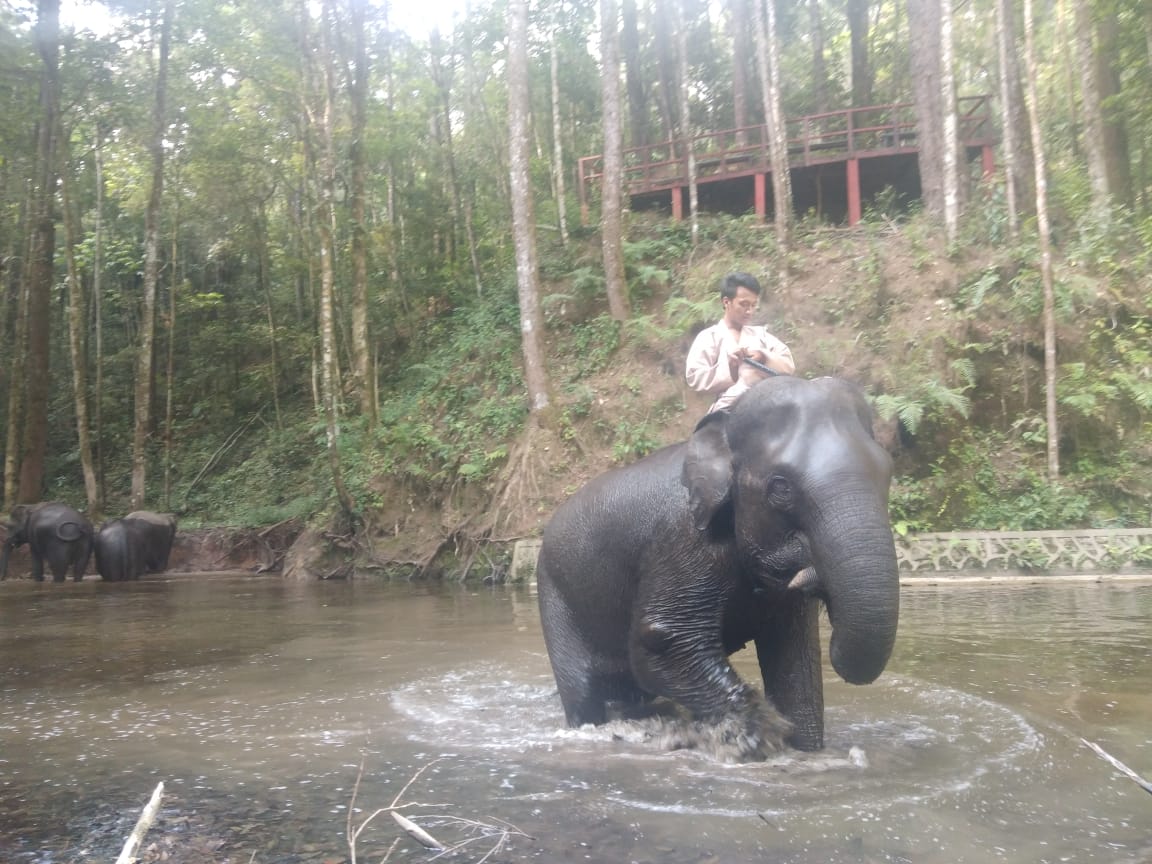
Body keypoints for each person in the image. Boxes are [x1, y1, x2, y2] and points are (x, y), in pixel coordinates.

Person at [685, 271, 795, 413]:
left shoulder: (761, 334)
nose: (749, 311)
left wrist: (763, 357)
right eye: (744, 304)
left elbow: (788, 364)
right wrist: (732, 370)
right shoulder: (709, 336)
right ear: (726, 302)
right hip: (729, 408)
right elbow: (695, 376)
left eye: (753, 305)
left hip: (771, 401)